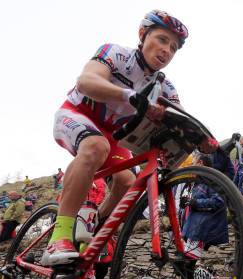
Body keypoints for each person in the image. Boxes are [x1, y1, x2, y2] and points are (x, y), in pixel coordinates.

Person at [44, 9, 189, 265]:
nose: (168, 50)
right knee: (95, 146)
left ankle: (92, 228)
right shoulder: (116, 53)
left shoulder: (166, 87)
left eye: (174, 47)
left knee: (126, 181)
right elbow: (86, 81)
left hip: (113, 138)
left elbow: (181, 120)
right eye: (162, 39)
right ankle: (60, 236)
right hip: (77, 114)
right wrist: (127, 94)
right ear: (143, 35)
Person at [160, 153, 229, 279]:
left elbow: (220, 201)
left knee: (186, 268)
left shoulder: (209, 180)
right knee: (184, 268)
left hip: (200, 230)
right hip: (189, 230)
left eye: (195, 161)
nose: (192, 165)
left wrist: (195, 202)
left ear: (201, 163)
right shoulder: (193, 183)